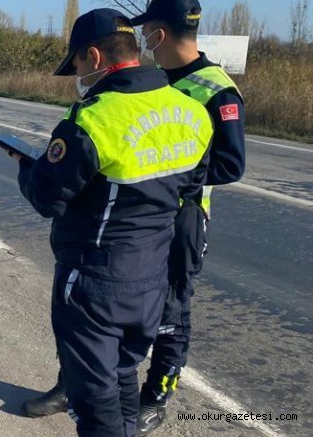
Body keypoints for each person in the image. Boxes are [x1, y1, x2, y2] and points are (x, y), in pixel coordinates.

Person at [22, 2, 248, 435]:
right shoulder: (183, 105)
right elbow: (188, 172)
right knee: (123, 369)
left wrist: (29, 170)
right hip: (149, 258)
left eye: (76, 66)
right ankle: (89, 393)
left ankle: (157, 394)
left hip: (114, 264)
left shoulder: (100, 116)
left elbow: (48, 197)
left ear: (93, 57)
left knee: (101, 397)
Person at [132, 1, 246, 433]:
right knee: (111, 299)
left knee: (171, 308)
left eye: (147, 34)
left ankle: (157, 394)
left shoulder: (216, 90)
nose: (143, 42)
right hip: (135, 215)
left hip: (182, 219)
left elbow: (231, 164)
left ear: (159, 35)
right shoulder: (150, 81)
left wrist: (171, 179)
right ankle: (81, 382)